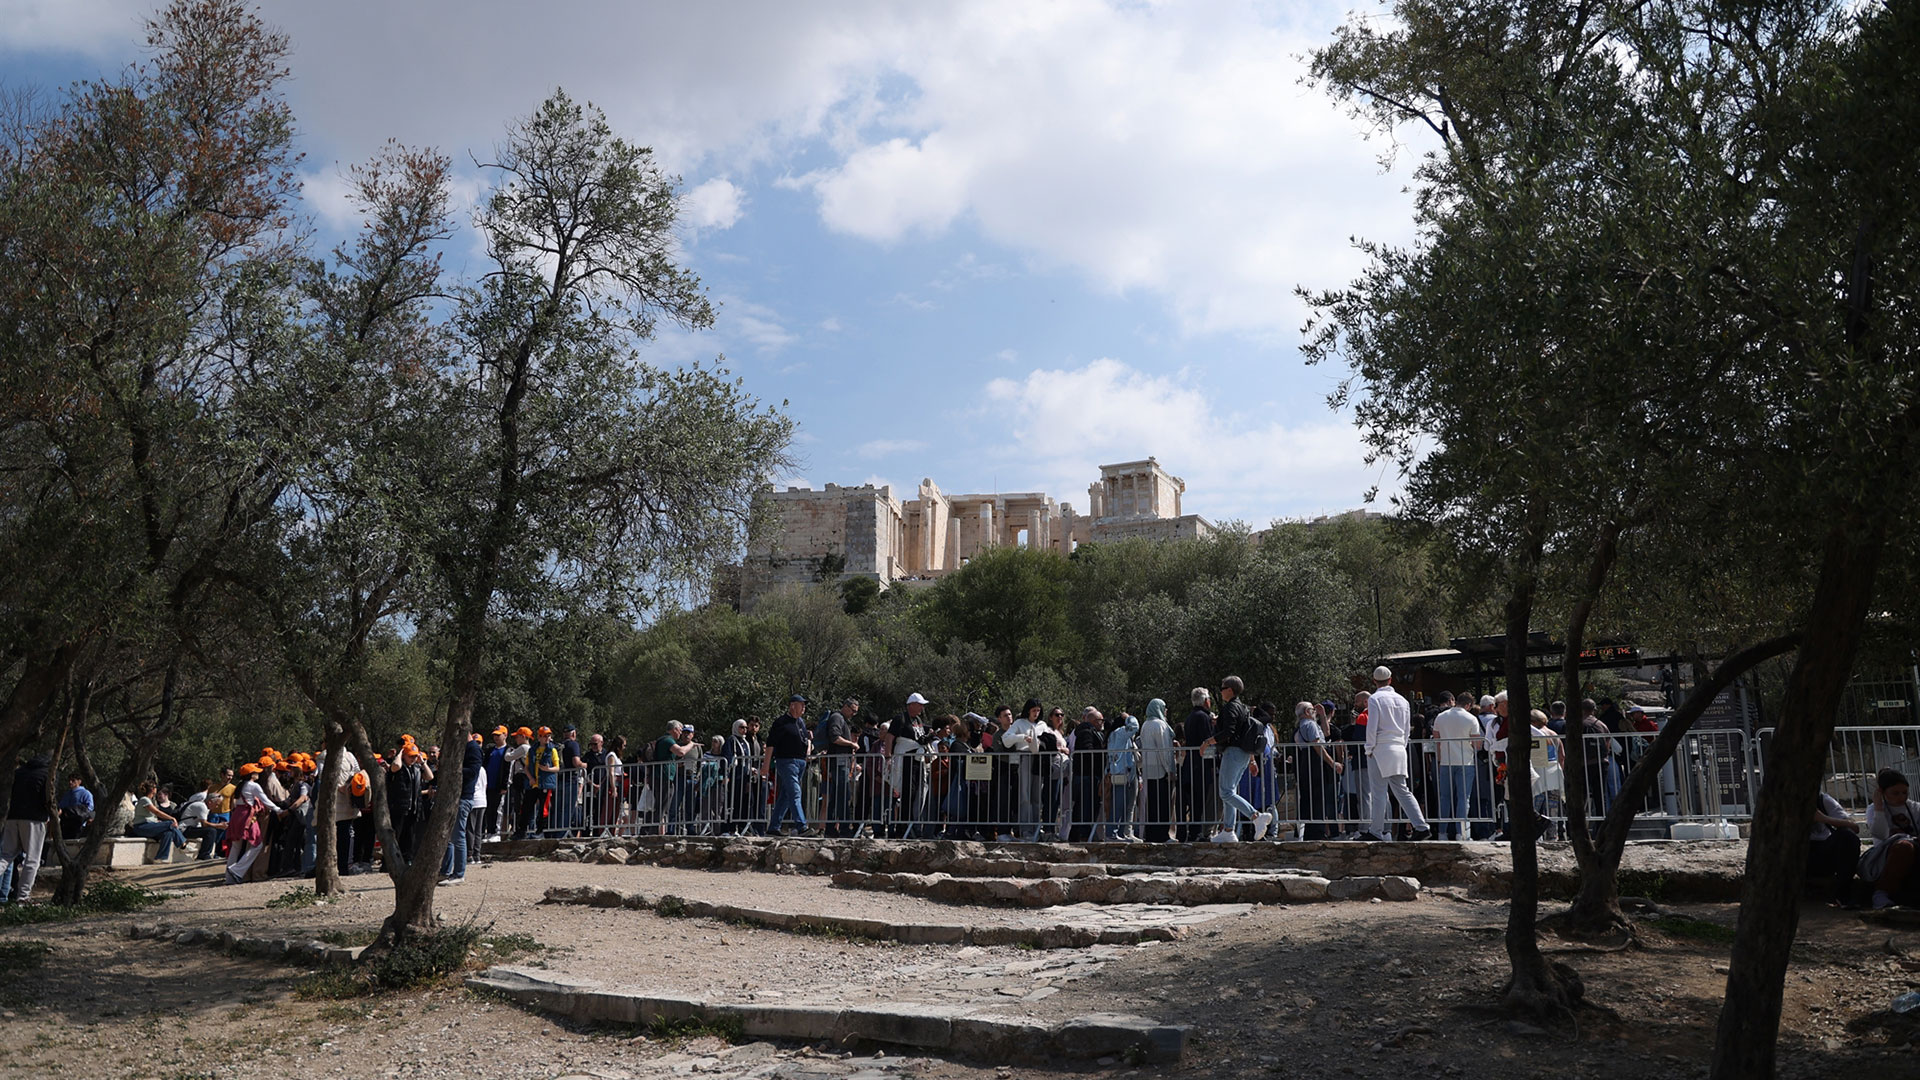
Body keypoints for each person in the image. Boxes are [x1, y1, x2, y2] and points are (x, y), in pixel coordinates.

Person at [1363, 667, 1431, 842]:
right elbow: (1407, 728)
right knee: (1402, 790)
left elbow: (1372, 727)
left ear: (1374, 681)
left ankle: (1376, 830)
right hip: (1399, 747)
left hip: (1380, 748)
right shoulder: (1403, 700)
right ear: (1391, 680)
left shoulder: (1375, 699)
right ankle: (1421, 826)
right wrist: (1402, 743)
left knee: (1378, 791)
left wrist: (1369, 748)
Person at [1209, 676, 1271, 843]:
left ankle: (1255, 816)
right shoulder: (1242, 707)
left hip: (1233, 753)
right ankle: (1228, 830)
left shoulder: (1230, 707)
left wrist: (1207, 742)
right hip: (1243, 753)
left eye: (1222, 688)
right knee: (1230, 791)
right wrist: (1251, 760)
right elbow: (1242, 732)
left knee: (1226, 792)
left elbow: (1229, 733)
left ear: (1230, 690)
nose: (1221, 691)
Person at [1859, 768, 1920, 910]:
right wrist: (1879, 807)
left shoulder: (1915, 808)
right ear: (1882, 792)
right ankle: (1881, 894)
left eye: (1904, 792)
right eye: (1895, 793)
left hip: (1915, 848)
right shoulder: (1874, 809)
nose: (1901, 797)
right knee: (1904, 847)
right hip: (1887, 852)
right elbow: (1880, 834)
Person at [1429, 692, 1481, 840]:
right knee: (1464, 798)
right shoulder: (1471, 718)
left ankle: (1442, 833)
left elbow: (1437, 741)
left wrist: (1439, 760)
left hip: (1445, 761)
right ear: (1469, 705)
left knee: (1444, 798)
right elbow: (1477, 744)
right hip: (1466, 761)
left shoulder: (1441, 717)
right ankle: (1461, 833)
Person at [1, 753, 52, 902]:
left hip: (12, 817)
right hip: (34, 819)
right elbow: (48, 798)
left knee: (5, 856)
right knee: (32, 859)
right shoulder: (48, 773)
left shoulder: (19, 772)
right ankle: (23, 897)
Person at [764, 694, 814, 836]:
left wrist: (808, 747)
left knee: (786, 795)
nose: (804, 707)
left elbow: (805, 740)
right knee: (795, 792)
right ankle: (801, 825)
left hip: (800, 762)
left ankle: (774, 827)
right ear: (792, 705)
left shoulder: (801, 722)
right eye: (801, 704)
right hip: (786, 761)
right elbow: (771, 743)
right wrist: (766, 765)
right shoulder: (781, 722)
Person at [224, 763, 281, 885]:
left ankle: (229, 878)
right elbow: (265, 801)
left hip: (236, 816)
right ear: (251, 774)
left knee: (236, 847)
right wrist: (279, 810)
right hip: (247, 816)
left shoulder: (240, 786)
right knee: (257, 845)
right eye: (255, 772)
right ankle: (237, 870)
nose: (258, 773)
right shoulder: (253, 786)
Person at [440, 731, 484, 885]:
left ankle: (459, 874)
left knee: (458, 837)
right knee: (451, 837)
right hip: (456, 797)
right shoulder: (464, 748)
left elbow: (473, 772)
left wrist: (453, 769)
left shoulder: (473, 749)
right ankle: (446, 871)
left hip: (464, 797)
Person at [1294, 701, 1343, 840]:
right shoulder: (1309, 725)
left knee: (1310, 797)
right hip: (1314, 763)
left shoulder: (1301, 725)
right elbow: (1318, 746)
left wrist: (1321, 715)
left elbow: (1326, 733)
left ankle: (1310, 831)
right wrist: (1333, 763)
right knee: (1317, 797)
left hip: (1307, 762)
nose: (1315, 711)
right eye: (1312, 709)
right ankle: (1317, 832)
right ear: (1307, 712)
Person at [887, 693, 931, 838]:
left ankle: (912, 826)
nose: (922, 707)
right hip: (905, 759)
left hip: (917, 760)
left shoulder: (918, 719)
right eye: (919, 704)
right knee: (906, 793)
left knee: (916, 793)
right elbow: (890, 737)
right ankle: (902, 827)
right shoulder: (900, 719)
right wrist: (888, 756)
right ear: (911, 704)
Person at [1809, 789, 1862, 907]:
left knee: (1847, 836)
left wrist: (1824, 819)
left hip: (1822, 852)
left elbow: (1854, 827)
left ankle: (1843, 894)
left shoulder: (1822, 800)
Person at [816, 698, 859, 837]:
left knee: (836, 797)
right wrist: (851, 744)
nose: (853, 714)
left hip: (841, 764)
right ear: (845, 706)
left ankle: (831, 829)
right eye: (852, 710)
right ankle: (844, 829)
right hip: (839, 764)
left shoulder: (842, 720)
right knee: (842, 796)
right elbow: (835, 738)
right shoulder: (837, 718)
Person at [1179, 689, 1216, 843]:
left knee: (1194, 801)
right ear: (1205, 701)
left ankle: (1193, 832)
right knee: (1200, 801)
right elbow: (1208, 738)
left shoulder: (1190, 717)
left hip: (1191, 765)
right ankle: (1198, 832)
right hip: (1201, 765)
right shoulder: (1203, 717)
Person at [1138, 699, 1176, 843]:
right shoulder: (1160, 725)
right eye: (1164, 708)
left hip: (1149, 770)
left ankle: (1151, 834)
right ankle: (1163, 835)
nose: (1166, 710)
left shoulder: (1145, 724)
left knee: (1152, 804)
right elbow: (1164, 750)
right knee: (1163, 804)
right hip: (1161, 771)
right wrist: (1170, 769)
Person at [1069, 707, 1107, 842]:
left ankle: (1081, 833)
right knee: (1086, 806)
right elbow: (1087, 750)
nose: (1102, 723)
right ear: (1093, 721)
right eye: (1100, 720)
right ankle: (1084, 834)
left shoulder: (1092, 732)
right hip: (1086, 775)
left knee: (1087, 806)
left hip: (1089, 775)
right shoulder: (1086, 731)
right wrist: (1102, 752)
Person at [128, 780, 190, 862]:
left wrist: (156, 822)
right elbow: (156, 812)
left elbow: (150, 816)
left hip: (148, 826)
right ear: (153, 789)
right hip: (141, 827)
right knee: (170, 823)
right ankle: (183, 844)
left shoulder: (149, 801)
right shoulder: (144, 800)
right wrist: (171, 818)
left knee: (168, 833)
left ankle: (161, 858)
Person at [1105, 708, 1141, 842]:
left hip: (1126, 773)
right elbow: (1134, 726)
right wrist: (1128, 717)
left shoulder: (1119, 735)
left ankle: (1119, 833)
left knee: (1124, 804)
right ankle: (1111, 833)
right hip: (1120, 773)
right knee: (1118, 804)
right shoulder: (1119, 733)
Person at [57, 774, 93, 841]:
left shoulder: (85, 793)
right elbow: (61, 807)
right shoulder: (66, 794)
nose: (70, 782)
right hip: (65, 825)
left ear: (79, 781)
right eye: (69, 780)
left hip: (78, 825)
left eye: (73, 780)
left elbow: (89, 808)